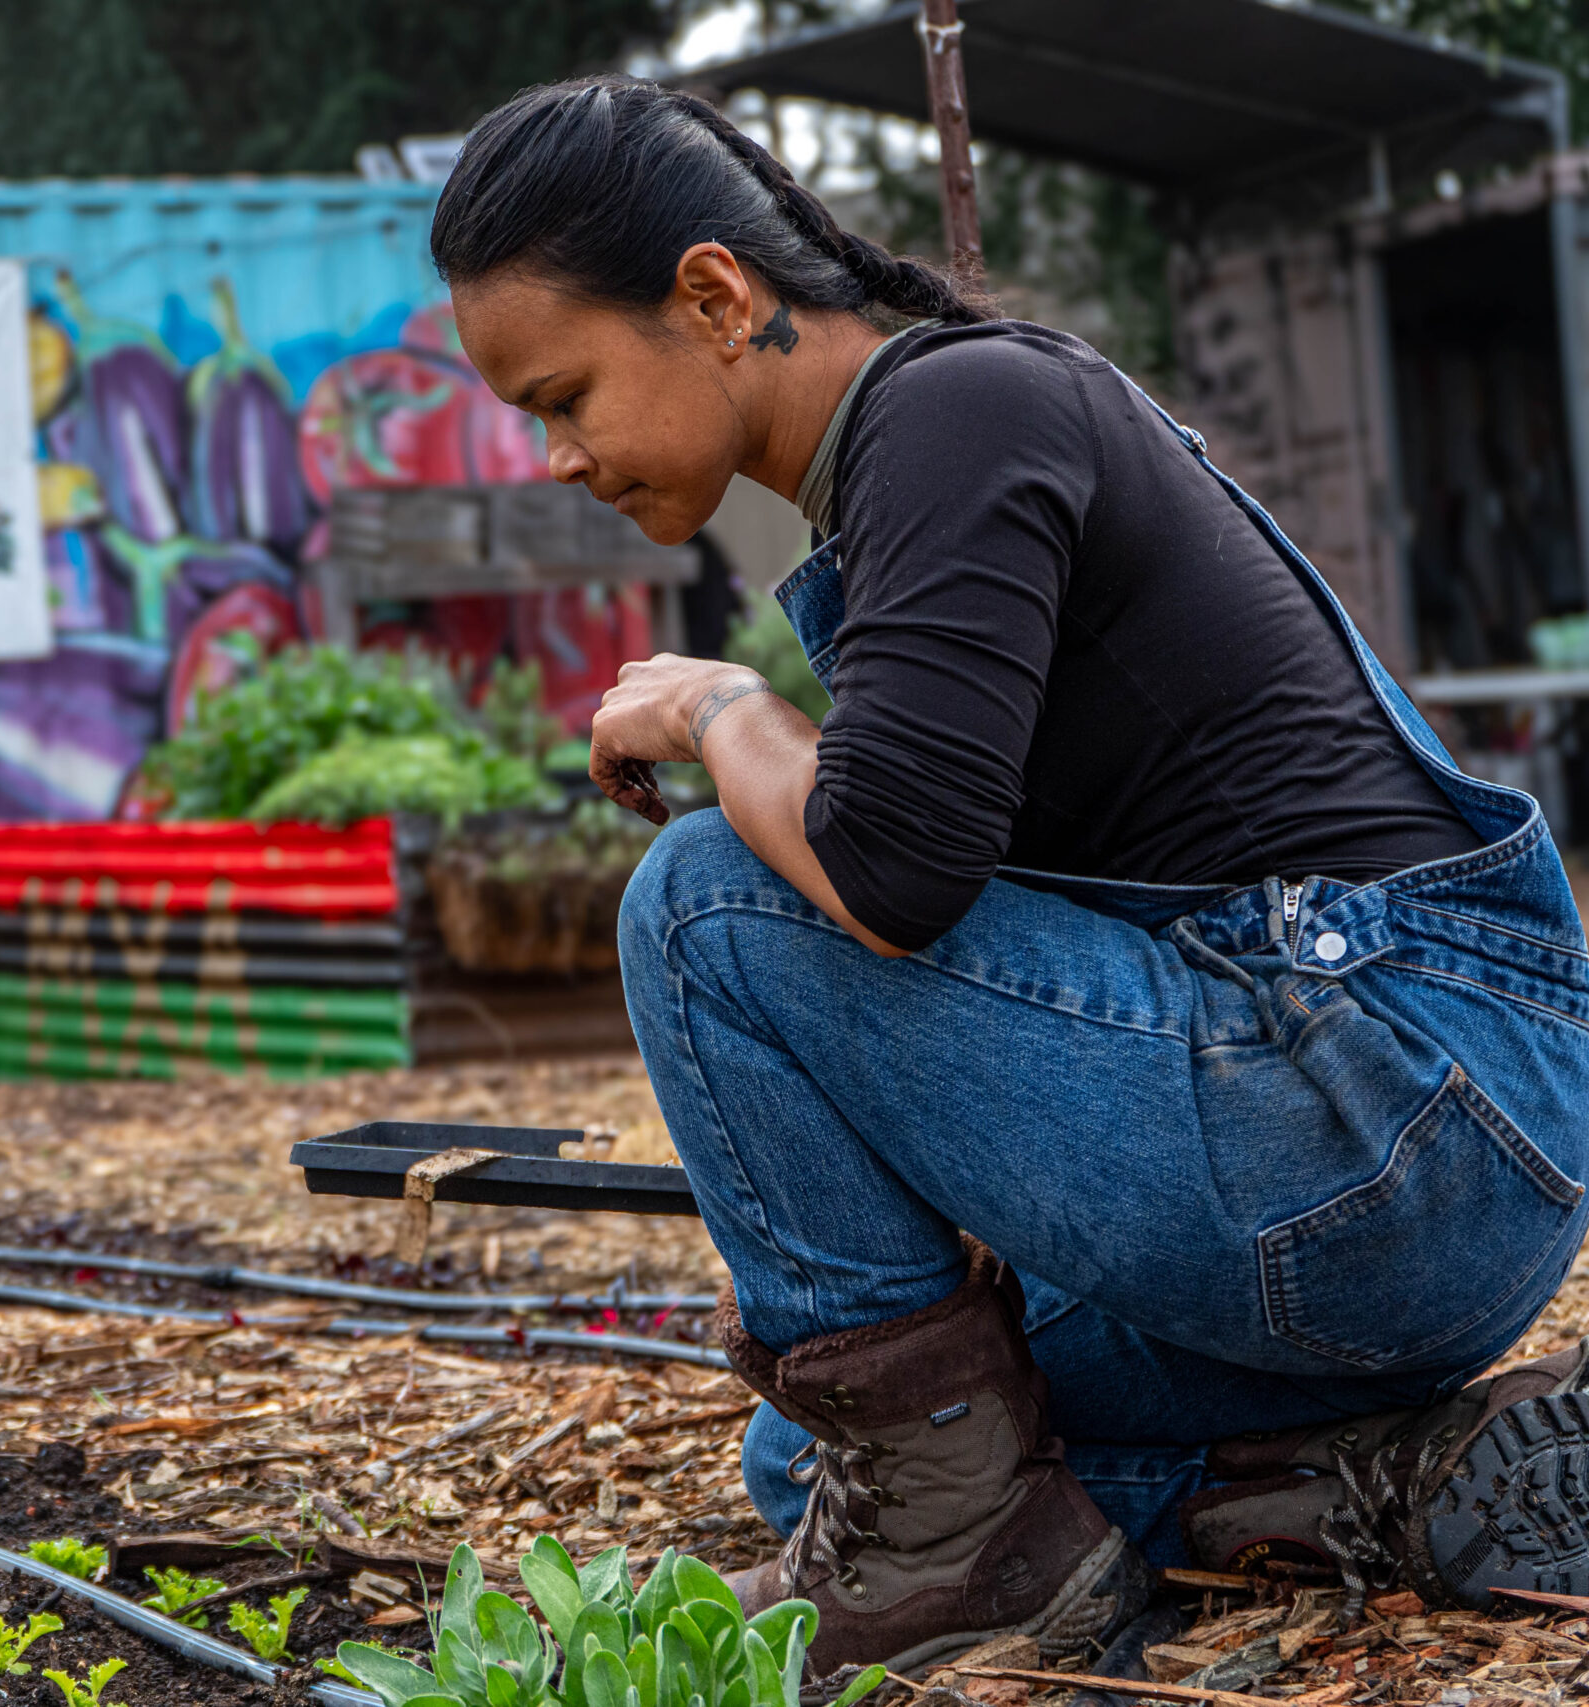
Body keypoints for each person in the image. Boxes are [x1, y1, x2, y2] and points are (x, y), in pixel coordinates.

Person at [431, 75, 1589, 1670]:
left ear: (710, 295)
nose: (558, 455)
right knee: (833, 1451)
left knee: (703, 905)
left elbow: (890, 875)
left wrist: (722, 707)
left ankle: (971, 1553)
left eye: (563, 396)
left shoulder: (955, 411)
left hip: (1379, 1112)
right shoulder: (930, 452)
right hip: (1419, 1174)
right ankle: (1357, 1488)